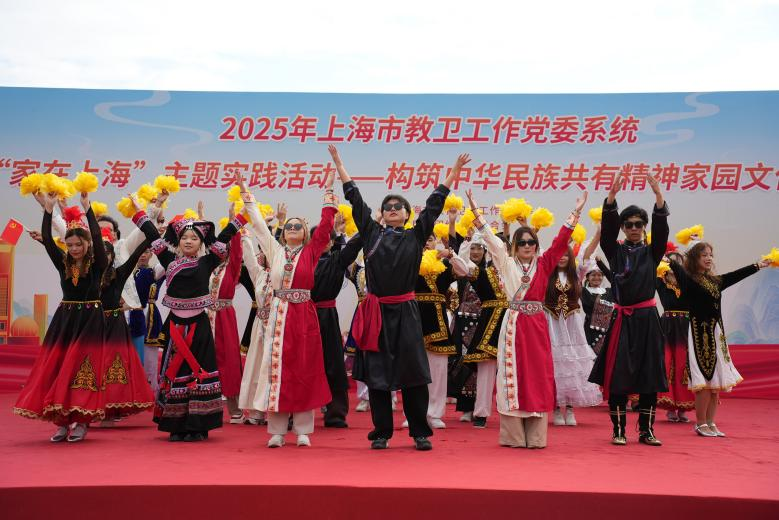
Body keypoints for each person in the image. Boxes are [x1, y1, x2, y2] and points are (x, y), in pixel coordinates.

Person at [330, 144, 466, 450]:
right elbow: (355, 198)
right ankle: (381, 432)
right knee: (378, 375)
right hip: (377, 313)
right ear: (382, 213)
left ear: (407, 214)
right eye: (388, 206)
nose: (392, 209)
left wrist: (453, 173)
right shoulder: (371, 233)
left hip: (406, 312)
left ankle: (419, 432)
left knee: (414, 375)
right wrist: (339, 164)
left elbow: (434, 204)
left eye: (398, 206)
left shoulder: (415, 235)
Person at [466, 188, 587, 449]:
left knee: (538, 375)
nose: (527, 246)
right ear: (515, 246)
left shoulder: (545, 263)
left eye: (531, 242)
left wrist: (576, 212)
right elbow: (491, 239)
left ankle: (536, 436)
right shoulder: (506, 263)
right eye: (522, 243)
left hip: (537, 325)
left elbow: (560, 242)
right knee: (513, 375)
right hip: (514, 324)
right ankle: (513, 436)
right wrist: (476, 211)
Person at [127, 192, 247, 441]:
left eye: (194, 238)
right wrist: (140, 209)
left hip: (199, 327)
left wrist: (244, 214)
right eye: (184, 237)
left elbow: (226, 236)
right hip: (175, 327)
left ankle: (199, 426)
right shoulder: (168, 260)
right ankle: (177, 426)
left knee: (199, 372)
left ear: (201, 242)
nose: (189, 241)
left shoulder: (208, 261)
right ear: (178, 241)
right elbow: (151, 234)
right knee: (175, 372)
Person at [237, 170, 336, 448]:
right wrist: (245, 192)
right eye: (288, 226)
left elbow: (326, 224)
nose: (292, 228)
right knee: (275, 371)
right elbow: (258, 225)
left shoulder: (312, 251)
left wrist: (329, 189)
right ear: (282, 232)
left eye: (297, 226)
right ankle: (277, 431)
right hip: (278, 315)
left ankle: (303, 430)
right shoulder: (274, 250)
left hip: (303, 316)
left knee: (304, 370)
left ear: (305, 233)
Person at [14, 190, 110, 442]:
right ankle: (61, 421)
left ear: (87, 244)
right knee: (59, 368)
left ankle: (81, 421)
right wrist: (47, 209)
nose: (74, 249)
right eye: (70, 245)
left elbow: (97, 235)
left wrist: (87, 208)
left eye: (79, 244)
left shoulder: (98, 263)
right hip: (65, 320)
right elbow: (47, 238)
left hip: (90, 321)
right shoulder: (63, 262)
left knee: (82, 370)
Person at [588, 171, 669, 446]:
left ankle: (647, 431)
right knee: (618, 376)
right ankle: (619, 430)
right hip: (622, 319)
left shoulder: (652, 252)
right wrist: (611, 197)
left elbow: (662, 230)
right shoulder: (615, 251)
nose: (634, 228)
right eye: (629, 224)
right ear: (623, 228)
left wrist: (658, 197)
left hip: (647, 320)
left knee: (649, 376)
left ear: (644, 227)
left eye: (639, 224)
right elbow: (607, 231)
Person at [669, 243, 772, 437]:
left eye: (710, 255)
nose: (708, 258)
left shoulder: (715, 281)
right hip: (699, 334)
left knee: (716, 383)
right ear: (695, 258)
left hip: (717, 334)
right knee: (705, 381)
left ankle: (710, 422)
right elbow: (675, 265)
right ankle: (700, 423)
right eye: (703, 255)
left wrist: (757, 265)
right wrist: (667, 255)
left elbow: (735, 275)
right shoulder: (688, 280)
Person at [449, 231, 507, 428]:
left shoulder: (516, 272)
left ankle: (518, 412)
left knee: (516, 369)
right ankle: (481, 413)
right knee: (486, 369)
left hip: (515, 322)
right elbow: (463, 266)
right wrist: (461, 248)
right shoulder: (484, 273)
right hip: (491, 323)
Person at [311, 216, 363, 428]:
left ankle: (335, 413)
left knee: (333, 363)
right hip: (302, 316)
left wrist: (368, 223)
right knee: (301, 363)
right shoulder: (299, 260)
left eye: (328, 238)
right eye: (318, 237)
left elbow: (353, 246)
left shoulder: (337, 260)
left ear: (332, 242)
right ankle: (295, 412)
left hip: (327, 316)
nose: (323, 241)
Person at [546, 243, 603, 427]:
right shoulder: (547, 274)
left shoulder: (577, 274)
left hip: (572, 324)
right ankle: (556, 408)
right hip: (552, 323)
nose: (562, 257)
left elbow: (586, 254)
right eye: (559, 254)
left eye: (566, 254)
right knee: (555, 365)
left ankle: (570, 409)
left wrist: (598, 235)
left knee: (572, 364)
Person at [97, 239, 155, 421]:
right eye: (98, 254)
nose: (102, 257)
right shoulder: (88, 275)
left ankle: (113, 408)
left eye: (106, 254)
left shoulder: (119, 273)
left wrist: (150, 232)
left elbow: (136, 253)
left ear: (112, 256)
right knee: (95, 364)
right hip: (94, 323)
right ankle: (92, 407)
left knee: (114, 365)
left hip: (115, 325)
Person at [655, 251, 694, 422]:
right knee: (668, 364)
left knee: (684, 365)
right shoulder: (660, 282)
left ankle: (683, 408)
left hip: (686, 327)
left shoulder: (688, 282)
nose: (674, 264)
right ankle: (670, 407)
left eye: (678, 262)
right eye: (671, 261)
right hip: (668, 327)